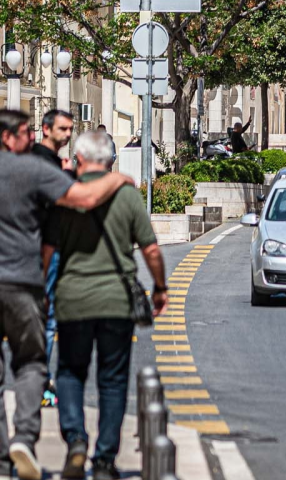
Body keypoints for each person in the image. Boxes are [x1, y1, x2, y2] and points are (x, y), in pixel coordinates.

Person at [0, 110, 133, 480]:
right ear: (9, 138)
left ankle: (1, 459)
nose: (32, 141)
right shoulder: (32, 170)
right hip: (21, 282)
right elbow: (84, 198)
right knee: (30, 362)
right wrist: (119, 178)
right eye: (26, 134)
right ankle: (24, 438)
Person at [43, 130, 168, 479]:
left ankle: (76, 441)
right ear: (109, 161)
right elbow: (152, 250)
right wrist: (159, 288)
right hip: (116, 300)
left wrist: (43, 290)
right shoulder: (127, 196)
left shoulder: (64, 197)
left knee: (70, 372)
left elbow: (48, 251)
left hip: (72, 299)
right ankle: (104, 460)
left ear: (80, 160)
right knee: (112, 380)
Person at [33, 110, 75, 409]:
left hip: (50, 249)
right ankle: (39, 383)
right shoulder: (43, 164)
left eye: (71, 129)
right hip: (45, 250)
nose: (68, 134)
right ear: (46, 129)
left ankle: (37, 380)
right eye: (63, 128)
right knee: (46, 320)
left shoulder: (49, 163)